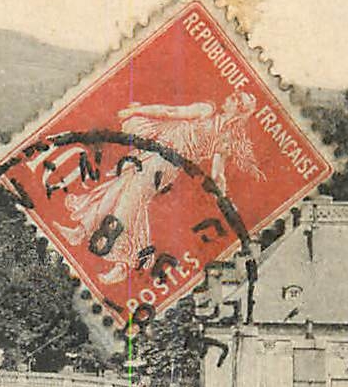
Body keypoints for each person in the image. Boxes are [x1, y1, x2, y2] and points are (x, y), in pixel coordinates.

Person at [58, 93, 264, 284]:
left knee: (130, 202)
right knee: (117, 188)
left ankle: (124, 262)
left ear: (237, 108)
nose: (228, 98)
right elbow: (217, 174)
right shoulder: (220, 130)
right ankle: (81, 231)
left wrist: (135, 112)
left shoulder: (208, 114)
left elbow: (169, 112)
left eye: (234, 98)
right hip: (156, 152)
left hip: (164, 164)